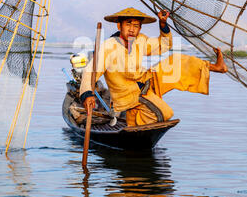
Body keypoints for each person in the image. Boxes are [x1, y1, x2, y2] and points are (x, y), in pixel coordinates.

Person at [79, 7, 228, 127]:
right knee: (165, 113)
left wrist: (163, 24)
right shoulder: (108, 47)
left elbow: (164, 45)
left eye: (136, 26)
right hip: (129, 95)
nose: (132, 29)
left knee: (175, 60)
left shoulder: (140, 40)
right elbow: (90, 71)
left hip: (146, 81)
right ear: (120, 25)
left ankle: (216, 67)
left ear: (140, 28)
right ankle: (133, 121)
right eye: (128, 24)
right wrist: (87, 94)